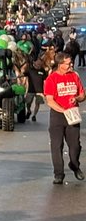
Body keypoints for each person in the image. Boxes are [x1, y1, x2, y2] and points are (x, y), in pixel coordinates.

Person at [42, 51, 86, 184]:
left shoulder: (74, 76)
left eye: (71, 62)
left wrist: (77, 98)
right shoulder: (52, 79)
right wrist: (62, 110)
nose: (71, 65)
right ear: (60, 64)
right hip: (58, 115)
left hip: (73, 114)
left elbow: (82, 95)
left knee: (75, 146)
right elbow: (49, 100)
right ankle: (59, 174)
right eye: (68, 63)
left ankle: (74, 164)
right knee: (57, 145)